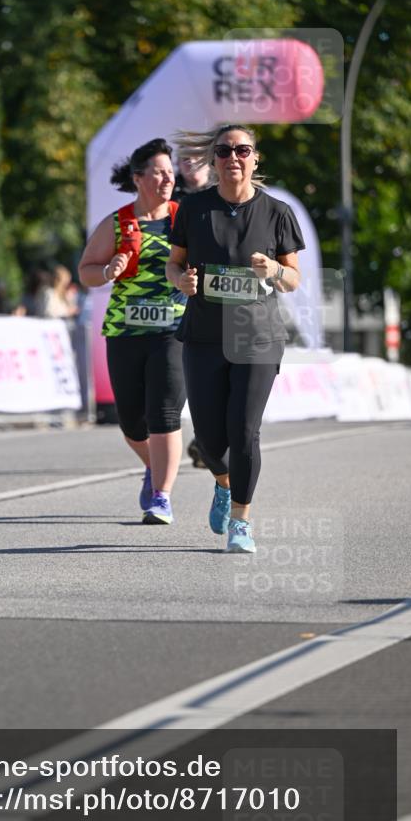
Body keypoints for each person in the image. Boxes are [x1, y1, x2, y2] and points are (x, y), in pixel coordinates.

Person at [166, 124, 304, 553]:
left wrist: (275, 272)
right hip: (204, 335)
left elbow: (294, 279)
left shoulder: (277, 212)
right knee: (209, 440)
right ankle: (224, 485)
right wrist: (181, 283)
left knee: (244, 432)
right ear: (214, 160)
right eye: (224, 151)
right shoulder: (193, 210)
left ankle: (241, 520)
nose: (233, 158)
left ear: (255, 158)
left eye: (242, 150)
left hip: (257, 338)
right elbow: (174, 265)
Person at [78, 138, 186, 524]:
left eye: (170, 173)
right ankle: (154, 467)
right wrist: (108, 271)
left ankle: (162, 496)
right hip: (124, 331)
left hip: (173, 330)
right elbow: (87, 269)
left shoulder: (183, 219)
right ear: (138, 178)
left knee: (165, 414)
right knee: (131, 422)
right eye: (158, 172)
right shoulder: (118, 222)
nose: (166, 179)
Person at [172, 152, 213, 468]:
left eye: (198, 158)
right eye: (185, 159)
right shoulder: (168, 194)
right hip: (177, 287)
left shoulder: (222, 190)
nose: (191, 165)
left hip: (215, 290)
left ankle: (206, 438)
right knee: (193, 368)